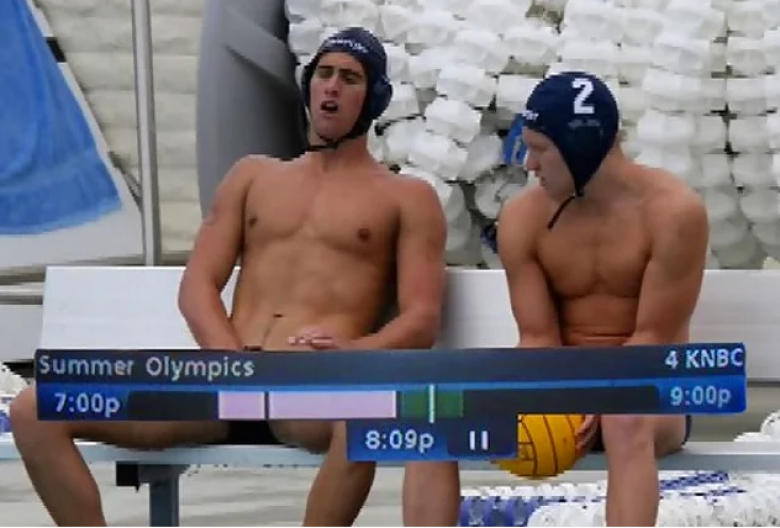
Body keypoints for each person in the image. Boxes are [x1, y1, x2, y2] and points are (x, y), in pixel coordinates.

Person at [9, 27, 460, 526]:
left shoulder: (406, 198)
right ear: (307, 86)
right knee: (33, 409)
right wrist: (228, 359)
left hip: (312, 388)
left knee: (363, 421)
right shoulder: (253, 176)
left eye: (350, 78)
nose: (332, 86)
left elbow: (421, 320)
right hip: (223, 379)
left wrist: (352, 352)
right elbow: (197, 285)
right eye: (324, 74)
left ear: (374, 99)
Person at [496, 71, 709, 526]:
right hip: (561, 388)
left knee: (623, 418)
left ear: (581, 147)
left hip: (653, 394)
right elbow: (537, 338)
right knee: (440, 415)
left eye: (540, 150)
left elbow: (655, 338)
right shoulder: (522, 217)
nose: (529, 165)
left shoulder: (673, 212)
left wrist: (605, 396)